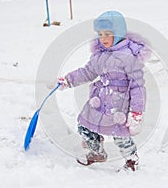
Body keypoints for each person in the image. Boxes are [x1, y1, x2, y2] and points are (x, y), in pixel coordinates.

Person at [53, 11, 150, 171]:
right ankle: (97, 151)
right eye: (100, 34)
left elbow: (137, 86)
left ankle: (131, 160)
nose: (103, 38)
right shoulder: (100, 55)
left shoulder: (128, 57)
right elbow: (87, 72)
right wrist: (68, 80)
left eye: (108, 34)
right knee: (84, 126)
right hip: (100, 101)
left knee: (120, 136)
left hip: (119, 105)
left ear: (118, 34)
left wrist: (136, 112)